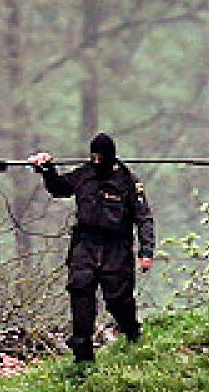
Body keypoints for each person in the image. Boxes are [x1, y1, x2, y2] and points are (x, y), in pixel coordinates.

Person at [28, 133, 155, 365]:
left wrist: (146, 252)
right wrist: (47, 169)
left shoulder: (128, 181)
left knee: (118, 300)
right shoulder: (84, 175)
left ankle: (132, 333)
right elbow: (59, 188)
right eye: (93, 156)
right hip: (85, 245)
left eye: (100, 157)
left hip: (117, 247)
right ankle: (83, 355)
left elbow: (144, 218)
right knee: (81, 292)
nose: (96, 161)